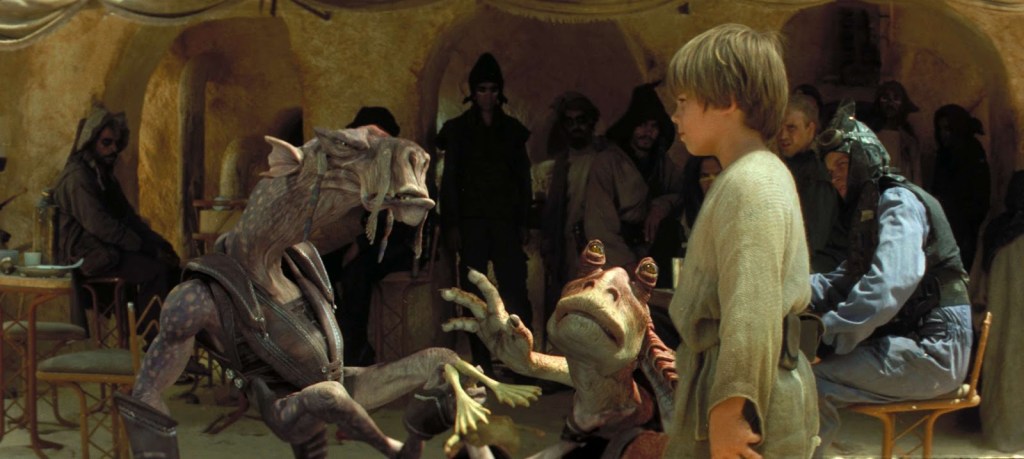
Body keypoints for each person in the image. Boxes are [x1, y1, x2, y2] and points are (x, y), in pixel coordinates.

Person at [663, 24, 818, 458]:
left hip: (749, 403)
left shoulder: (752, 182)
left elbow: (751, 311)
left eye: (683, 101)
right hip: (739, 387)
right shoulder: (749, 175)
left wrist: (730, 415)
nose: (675, 115)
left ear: (727, 100)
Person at [809, 101, 973, 457]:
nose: (835, 177)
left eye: (842, 165)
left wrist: (826, 333)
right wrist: (790, 289)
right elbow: (845, 278)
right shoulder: (874, 209)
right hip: (917, 343)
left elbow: (888, 285)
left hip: (935, 351)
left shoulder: (897, 200)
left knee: (810, 379)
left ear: (865, 159)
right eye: (830, 170)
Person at [437, 52, 532, 374]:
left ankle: (520, 360)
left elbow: (523, 179)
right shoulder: (457, 131)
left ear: (500, 92)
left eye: (493, 89)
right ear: (473, 93)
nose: (488, 96)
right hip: (471, 224)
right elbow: (449, 182)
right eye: (482, 89)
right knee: (474, 293)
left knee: (514, 290)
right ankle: (481, 362)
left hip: (505, 223)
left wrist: (524, 221)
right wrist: (452, 225)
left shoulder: (513, 131)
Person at [53, 104, 180, 346]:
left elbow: (129, 218)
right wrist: (145, 247)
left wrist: (160, 245)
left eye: (116, 143)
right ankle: (155, 344)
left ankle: (169, 341)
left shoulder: (104, 176)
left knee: (172, 266)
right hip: (85, 259)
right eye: (106, 143)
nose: (113, 149)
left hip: (107, 252)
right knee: (155, 271)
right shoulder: (78, 178)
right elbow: (100, 225)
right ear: (90, 142)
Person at [540, 91, 647, 328]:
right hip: (570, 248)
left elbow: (634, 200)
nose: (575, 127)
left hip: (604, 247)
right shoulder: (561, 163)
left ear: (591, 122)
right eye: (569, 122)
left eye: (581, 120)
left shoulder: (608, 157)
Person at [320, 106, 409, 366]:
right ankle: (332, 342)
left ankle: (356, 352)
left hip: (399, 245)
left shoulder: (400, 166)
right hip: (371, 243)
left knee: (356, 273)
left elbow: (399, 223)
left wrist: (359, 246)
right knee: (320, 268)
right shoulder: (365, 166)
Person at [605, 81, 684, 288]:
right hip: (617, 257)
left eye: (653, 126)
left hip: (651, 253)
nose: (647, 132)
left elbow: (680, 192)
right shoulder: (608, 162)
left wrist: (661, 205)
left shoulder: (661, 162)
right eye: (641, 125)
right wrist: (627, 263)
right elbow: (600, 223)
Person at [971, 170, 1024, 453]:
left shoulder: (996, 230)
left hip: (1000, 322)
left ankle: (1003, 436)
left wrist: (979, 314)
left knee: (1003, 378)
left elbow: (977, 282)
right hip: (1008, 319)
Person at [778, 93, 846, 273]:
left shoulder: (818, 172)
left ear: (810, 129)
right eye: (779, 127)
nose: (783, 135)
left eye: (791, 127)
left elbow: (814, 240)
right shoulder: (785, 164)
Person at [931, 104, 990, 270]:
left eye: (948, 129)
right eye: (940, 129)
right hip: (945, 223)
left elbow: (979, 195)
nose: (943, 134)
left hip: (965, 226)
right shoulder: (944, 155)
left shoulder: (972, 152)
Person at [866, 80, 922, 186]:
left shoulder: (907, 138)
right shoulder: (869, 134)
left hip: (901, 187)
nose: (890, 104)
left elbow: (916, 172)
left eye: (896, 99)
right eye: (885, 98)